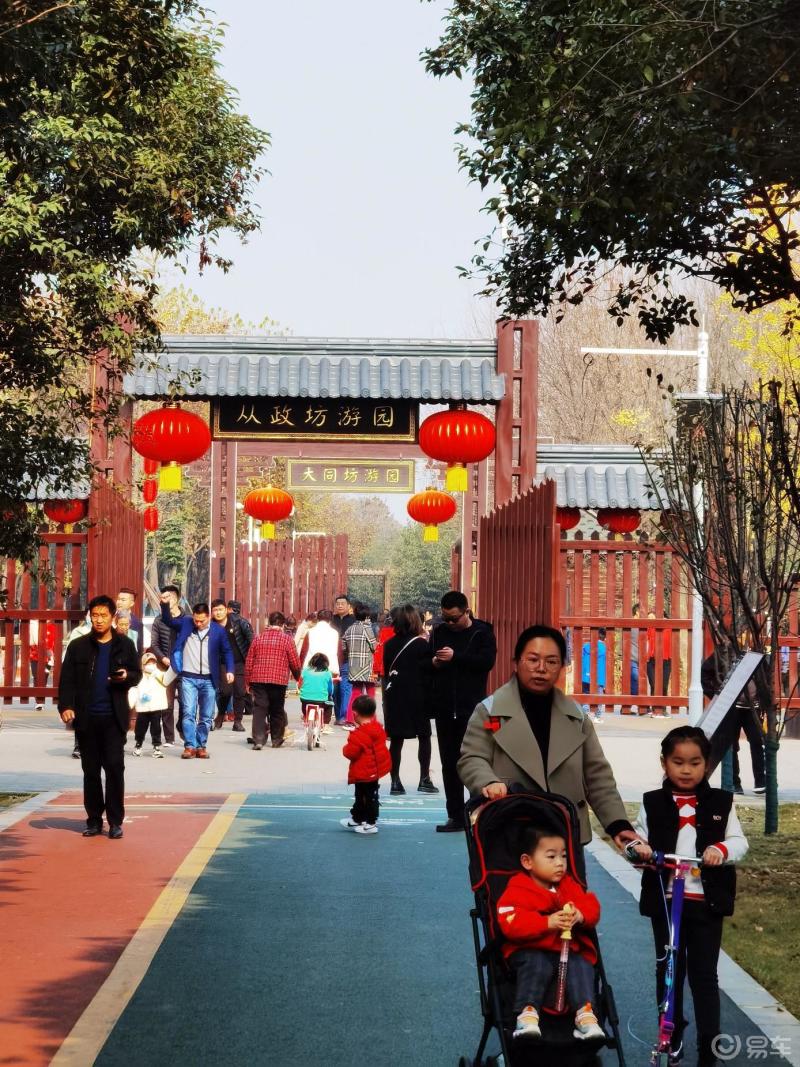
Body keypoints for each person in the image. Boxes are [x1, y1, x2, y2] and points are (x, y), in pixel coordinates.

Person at [458, 624, 638, 850]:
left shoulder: (577, 717)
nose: (541, 668)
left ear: (562, 667)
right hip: (509, 834)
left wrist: (618, 825)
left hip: (565, 838)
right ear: (517, 661)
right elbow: (472, 758)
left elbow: (597, 775)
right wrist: (488, 782)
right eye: (533, 659)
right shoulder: (490, 711)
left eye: (551, 662)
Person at [630, 726, 748, 1066]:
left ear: (706, 765)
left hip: (705, 904)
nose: (686, 770)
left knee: (704, 976)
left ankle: (709, 1045)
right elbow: (638, 839)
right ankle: (671, 1034)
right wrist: (639, 850)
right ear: (664, 763)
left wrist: (720, 849)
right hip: (666, 903)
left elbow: (739, 842)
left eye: (694, 763)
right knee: (668, 971)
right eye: (678, 762)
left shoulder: (721, 803)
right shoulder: (652, 802)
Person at [497, 824, 604, 1041]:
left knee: (582, 964)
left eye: (563, 856)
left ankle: (585, 1014)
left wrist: (580, 915)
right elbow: (510, 921)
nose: (560, 863)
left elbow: (590, 905)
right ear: (528, 861)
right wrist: (546, 922)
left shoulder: (568, 885)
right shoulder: (518, 888)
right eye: (551, 857)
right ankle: (527, 1013)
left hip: (566, 952)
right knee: (536, 963)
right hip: (530, 949)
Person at [57, 594, 141, 839]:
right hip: (87, 718)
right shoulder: (78, 645)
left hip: (114, 718)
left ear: (113, 617)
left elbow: (137, 674)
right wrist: (65, 706)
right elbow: (67, 681)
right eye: (95, 615)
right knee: (90, 771)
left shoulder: (125, 645)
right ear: (89, 616)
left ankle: (115, 821)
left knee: (115, 768)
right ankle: (94, 819)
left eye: (104, 615)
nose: (99, 620)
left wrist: (126, 676)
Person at [427, 590, 497, 832]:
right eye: (445, 618)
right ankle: (455, 815)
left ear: (466, 611)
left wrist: (456, 657)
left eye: (454, 618)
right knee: (449, 763)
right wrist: (434, 663)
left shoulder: (482, 631)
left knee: (478, 760)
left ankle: (480, 812)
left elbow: (486, 662)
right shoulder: (438, 632)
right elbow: (426, 663)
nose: (449, 623)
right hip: (445, 707)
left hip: (474, 707)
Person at [160, 595, 234, 760]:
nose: (198, 624)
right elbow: (168, 621)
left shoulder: (219, 631)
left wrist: (230, 670)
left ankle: (201, 745)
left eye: (202, 621)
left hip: (209, 679)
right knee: (188, 713)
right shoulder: (186, 623)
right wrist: (164, 605)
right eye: (196, 620)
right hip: (188, 678)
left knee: (206, 716)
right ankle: (189, 746)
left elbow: (227, 651)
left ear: (209, 617)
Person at [382, 604, 438, 796]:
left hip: (396, 695)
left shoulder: (389, 645)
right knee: (424, 736)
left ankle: (395, 781)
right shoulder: (422, 644)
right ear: (416, 621)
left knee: (396, 740)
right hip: (418, 695)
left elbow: (388, 672)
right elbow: (429, 672)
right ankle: (424, 779)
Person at [700, 649, 766, 795]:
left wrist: (763, 701)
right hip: (732, 708)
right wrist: (717, 696)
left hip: (753, 708)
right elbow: (705, 672)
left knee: (757, 741)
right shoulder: (725, 651)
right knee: (731, 746)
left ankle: (761, 782)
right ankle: (735, 783)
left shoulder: (758, 651)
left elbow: (766, 678)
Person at [244, 611, 301, 749]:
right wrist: (298, 676)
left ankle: (258, 739)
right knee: (277, 709)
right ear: (282, 624)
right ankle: (276, 739)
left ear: (269, 622)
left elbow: (249, 661)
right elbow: (294, 662)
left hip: (259, 679)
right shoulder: (287, 639)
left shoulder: (258, 638)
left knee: (259, 708)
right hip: (278, 680)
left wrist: (248, 681)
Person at [339, 695, 392, 835]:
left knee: (365, 797)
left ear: (355, 714)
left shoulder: (359, 734)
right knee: (367, 796)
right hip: (374, 770)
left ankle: (370, 823)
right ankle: (359, 818)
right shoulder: (378, 729)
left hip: (363, 771)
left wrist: (346, 746)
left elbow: (350, 753)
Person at [211, 599, 254, 732]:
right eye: (215, 610)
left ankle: (238, 721)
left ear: (226, 610)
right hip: (222, 663)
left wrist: (251, 659)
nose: (218, 613)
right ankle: (221, 714)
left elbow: (251, 640)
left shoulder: (239, 622)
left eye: (220, 610)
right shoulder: (210, 625)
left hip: (240, 661)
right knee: (225, 691)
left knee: (240, 692)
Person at [150, 584, 185, 745]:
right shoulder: (158, 620)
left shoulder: (187, 619)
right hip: (165, 666)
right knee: (168, 704)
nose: (163, 601)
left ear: (176, 598)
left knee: (186, 703)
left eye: (167, 598)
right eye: (162, 598)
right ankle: (169, 737)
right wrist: (163, 658)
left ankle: (183, 727)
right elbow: (154, 644)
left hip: (185, 667)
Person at [299, 609, 341, 716]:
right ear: (330, 620)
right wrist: (339, 665)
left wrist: (301, 666)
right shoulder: (335, 633)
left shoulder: (311, 632)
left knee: (310, 691)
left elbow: (304, 650)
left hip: (311, 667)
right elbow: (339, 652)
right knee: (328, 695)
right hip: (330, 667)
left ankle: (307, 715)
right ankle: (326, 722)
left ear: (317, 619)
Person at [342, 602, 377, 723]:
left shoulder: (349, 629)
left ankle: (350, 719)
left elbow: (343, 647)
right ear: (367, 616)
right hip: (367, 665)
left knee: (355, 692)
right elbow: (374, 647)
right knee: (370, 692)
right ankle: (371, 719)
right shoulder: (367, 629)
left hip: (353, 665)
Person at [131, 651, 167, 758]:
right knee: (140, 727)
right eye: (148, 663)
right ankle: (138, 745)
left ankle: (156, 746)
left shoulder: (159, 674)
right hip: (143, 706)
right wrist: (131, 702)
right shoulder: (139, 676)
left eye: (153, 662)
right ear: (143, 664)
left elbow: (167, 680)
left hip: (156, 706)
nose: (151, 665)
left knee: (156, 727)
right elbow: (133, 689)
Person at [332, 594, 355, 721]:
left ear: (348, 606)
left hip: (347, 659)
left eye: (342, 603)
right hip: (332, 659)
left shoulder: (353, 621)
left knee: (345, 687)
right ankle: (338, 713)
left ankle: (343, 715)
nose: (340, 605)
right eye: (338, 603)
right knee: (335, 688)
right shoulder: (331, 620)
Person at [299, 652, 335, 733]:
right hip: (321, 701)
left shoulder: (305, 671)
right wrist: (330, 695)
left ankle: (305, 716)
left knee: (304, 705)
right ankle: (325, 725)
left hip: (305, 700)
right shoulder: (327, 672)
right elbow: (330, 689)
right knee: (330, 704)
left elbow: (300, 684)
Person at [646, 611, 672, 718]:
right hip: (651, 659)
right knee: (654, 684)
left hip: (666, 659)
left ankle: (663, 709)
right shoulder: (650, 627)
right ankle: (655, 708)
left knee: (664, 685)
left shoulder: (670, 628)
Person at [580, 628, 606, 724]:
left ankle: (584, 714)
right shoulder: (604, 648)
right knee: (599, 696)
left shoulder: (586, 646)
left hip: (586, 676)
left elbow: (581, 659)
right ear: (604, 637)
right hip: (599, 677)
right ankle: (597, 716)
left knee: (586, 694)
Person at [116, 587, 144, 654]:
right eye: (118, 599)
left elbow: (138, 649)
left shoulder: (135, 623)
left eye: (123, 600)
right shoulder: (111, 618)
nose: (119, 602)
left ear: (132, 603)